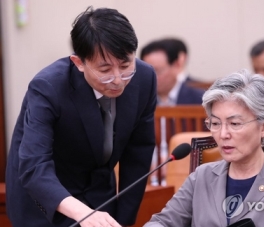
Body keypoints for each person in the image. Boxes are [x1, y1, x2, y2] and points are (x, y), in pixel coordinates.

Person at [5, 6, 156, 227]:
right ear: (78, 63)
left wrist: (124, 220)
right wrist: (82, 212)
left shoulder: (145, 78)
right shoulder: (48, 87)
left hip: (100, 192)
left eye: (125, 65)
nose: (118, 79)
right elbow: (34, 164)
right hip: (45, 199)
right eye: (104, 70)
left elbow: (139, 154)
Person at [144, 70, 264, 227]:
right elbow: (164, 221)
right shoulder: (201, 177)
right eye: (215, 123)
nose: (223, 134)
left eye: (235, 124)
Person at [140, 38, 204, 106]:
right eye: (147, 72)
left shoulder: (200, 99)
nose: (152, 77)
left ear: (176, 66)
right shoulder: (140, 100)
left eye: (158, 71)